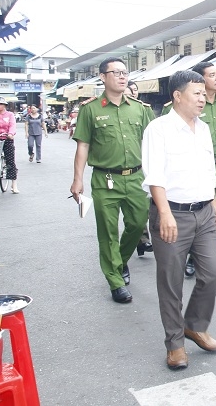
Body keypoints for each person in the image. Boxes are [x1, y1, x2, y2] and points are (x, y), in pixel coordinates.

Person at [142, 70, 216, 370]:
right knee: (171, 282)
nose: (203, 98)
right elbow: (154, 174)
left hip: (203, 211)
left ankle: (195, 324)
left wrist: (213, 206)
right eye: (197, 93)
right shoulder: (158, 129)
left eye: (204, 94)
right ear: (177, 96)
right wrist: (164, 213)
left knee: (213, 272)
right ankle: (175, 344)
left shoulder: (203, 129)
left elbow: (208, 171)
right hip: (172, 212)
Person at [69, 57, 155, 303]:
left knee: (138, 224)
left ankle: (119, 260)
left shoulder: (141, 109)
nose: (121, 76)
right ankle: (115, 280)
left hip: (136, 177)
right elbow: (83, 145)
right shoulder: (91, 109)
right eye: (115, 72)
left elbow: (153, 144)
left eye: (124, 72)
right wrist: (77, 180)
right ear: (103, 77)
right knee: (107, 231)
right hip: (105, 179)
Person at [163, 62, 216, 277]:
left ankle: (215, 256)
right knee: (192, 214)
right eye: (212, 75)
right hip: (191, 168)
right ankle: (191, 256)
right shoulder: (176, 108)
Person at [125, 83, 154, 257]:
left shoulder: (144, 110)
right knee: (133, 213)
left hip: (144, 165)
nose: (134, 94)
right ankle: (142, 239)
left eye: (135, 90)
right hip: (125, 168)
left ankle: (141, 240)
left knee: (143, 208)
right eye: (130, 92)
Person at [0, 97, 20, 193]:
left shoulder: (9, 115)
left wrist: (11, 134)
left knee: (10, 161)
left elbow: (12, 125)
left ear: (4, 105)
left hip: (6, 138)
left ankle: (14, 184)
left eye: (1, 104)